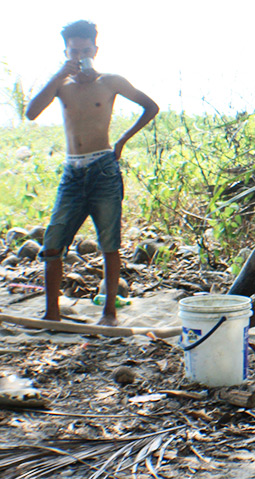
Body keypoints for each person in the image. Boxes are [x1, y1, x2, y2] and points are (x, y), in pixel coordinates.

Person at [26, 20, 159, 326]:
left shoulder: (110, 81)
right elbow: (31, 113)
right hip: (72, 172)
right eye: (74, 51)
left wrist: (123, 140)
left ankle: (109, 313)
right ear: (66, 52)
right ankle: (52, 312)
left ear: (95, 50)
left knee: (109, 242)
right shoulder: (62, 85)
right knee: (53, 242)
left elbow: (150, 107)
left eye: (86, 50)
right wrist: (60, 74)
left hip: (103, 169)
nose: (80, 56)